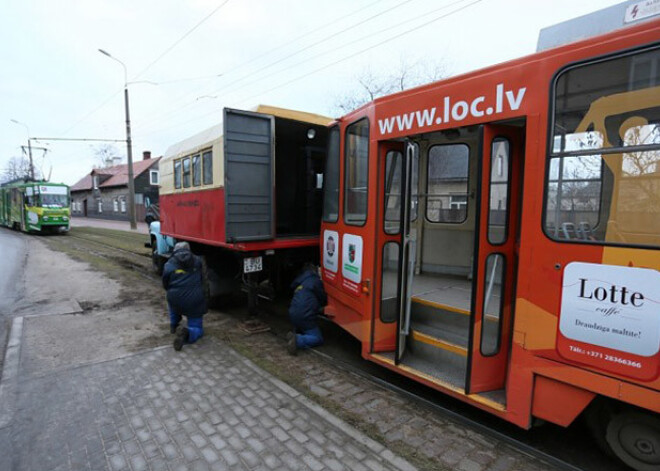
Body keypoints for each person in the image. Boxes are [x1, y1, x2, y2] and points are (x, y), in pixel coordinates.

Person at [162, 241, 207, 351]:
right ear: (189, 250)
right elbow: (203, 280)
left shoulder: (168, 264)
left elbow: (165, 284)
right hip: (194, 300)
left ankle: (174, 325)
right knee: (197, 328)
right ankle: (188, 332)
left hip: (176, 298)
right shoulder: (198, 261)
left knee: (172, 301)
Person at [287, 263, 327, 355]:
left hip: (293, 314)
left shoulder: (300, 282)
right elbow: (322, 297)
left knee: (303, 326)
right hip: (305, 316)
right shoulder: (314, 281)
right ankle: (298, 340)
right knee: (317, 338)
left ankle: (296, 333)